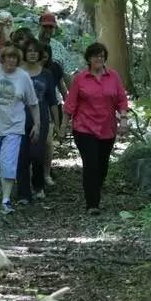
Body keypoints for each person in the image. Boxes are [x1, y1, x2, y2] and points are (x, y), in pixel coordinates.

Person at [63, 42, 129, 215]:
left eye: (101, 56)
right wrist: (64, 125)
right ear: (89, 58)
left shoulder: (113, 76)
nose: (99, 59)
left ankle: (95, 188)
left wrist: (123, 120)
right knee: (90, 164)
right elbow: (70, 104)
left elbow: (122, 100)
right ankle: (92, 204)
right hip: (84, 128)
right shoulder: (80, 79)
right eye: (95, 56)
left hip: (107, 128)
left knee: (102, 166)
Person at [0, 45, 39, 215]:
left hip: (14, 126)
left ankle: (6, 200)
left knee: (8, 164)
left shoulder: (23, 76)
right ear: (3, 58)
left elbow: (33, 103)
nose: (11, 61)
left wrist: (37, 124)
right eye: (8, 57)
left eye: (15, 58)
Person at [16, 38, 59, 204]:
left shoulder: (46, 74)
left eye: (36, 51)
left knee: (37, 154)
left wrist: (57, 123)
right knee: (22, 156)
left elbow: (53, 100)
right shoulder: (17, 72)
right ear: (24, 53)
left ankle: (38, 186)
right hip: (18, 117)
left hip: (41, 117)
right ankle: (23, 193)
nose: (33, 54)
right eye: (29, 51)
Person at [41, 43, 68, 186]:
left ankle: (46, 173)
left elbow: (62, 87)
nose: (44, 55)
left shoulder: (55, 67)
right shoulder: (28, 68)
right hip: (33, 108)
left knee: (47, 143)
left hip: (52, 106)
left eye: (46, 52)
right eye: (41, 52)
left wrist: (68, 105)